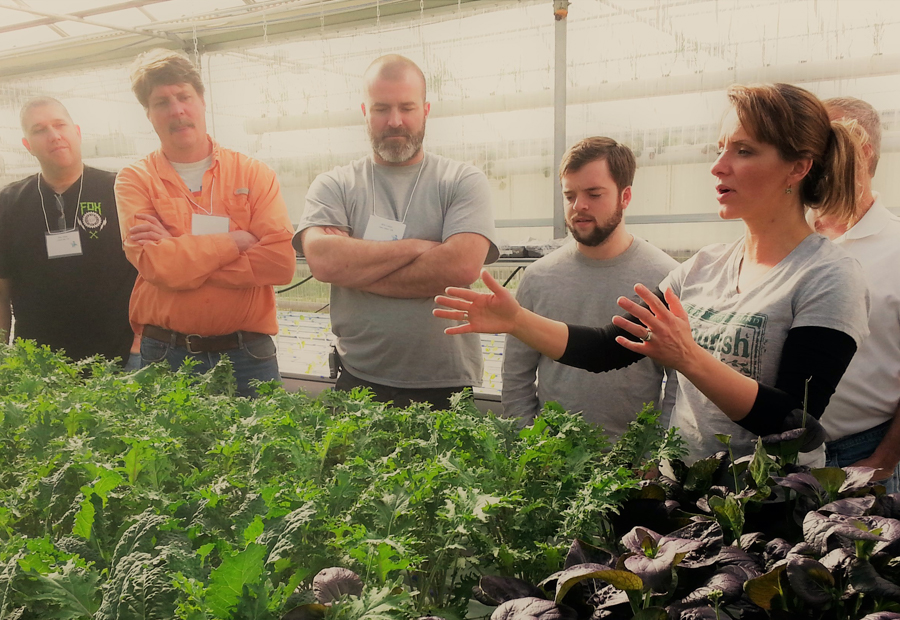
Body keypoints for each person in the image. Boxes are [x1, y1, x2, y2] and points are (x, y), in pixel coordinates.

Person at [435, 83, 870, 463]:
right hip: (686, 495)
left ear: (798, 167)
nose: (719, 165)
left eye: (744, 150)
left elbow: (797, 423)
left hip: (765, 515)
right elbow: (608, 349)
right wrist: (517, 321)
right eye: (721, 148)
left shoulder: (827, 276)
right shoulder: (702, 268)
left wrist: (688, 358)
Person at [294, 54, 498, 410]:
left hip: (445, 382)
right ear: (364, 112)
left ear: (426, 109)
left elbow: (461, 267)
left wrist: (355, 270)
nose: (394, 121)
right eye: (381, 108)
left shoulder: (462, 181)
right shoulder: (335, 184)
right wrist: (420, 247)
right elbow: (324, 262)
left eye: (407, 107)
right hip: (359, 378)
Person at [115, 49, 296, 397]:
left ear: (201, 100)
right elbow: (155, 264)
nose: (177, 110)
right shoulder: (134, 179)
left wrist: (181, 256)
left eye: (184, 96)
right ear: (149, 114)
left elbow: (280, 263)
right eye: (161, 101)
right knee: (170, 450)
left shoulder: (253, 173)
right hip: (166, 353)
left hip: (248, 354)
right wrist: (235, 242)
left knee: (258, 450)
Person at [502, 137, 677, 435]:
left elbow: (678, 381)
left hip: (634, 464)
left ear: (625, 197)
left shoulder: (665, 277)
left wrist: (657, 455)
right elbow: (516, 374)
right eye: (569, 196)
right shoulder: (538, 278)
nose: (579, 206)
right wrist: (527, 440)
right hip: (551, 461)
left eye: (594, 194)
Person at [0, 97, 138, 367]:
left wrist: (144, 342)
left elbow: (151, 272)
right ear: (27, 146)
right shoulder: (8, 203)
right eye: (39, 130)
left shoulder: (121, 189)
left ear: (77, 132)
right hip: (40, 364)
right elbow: (1, 291)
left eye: (59, 125)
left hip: (119, 358)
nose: (54, 136)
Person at [809, 97, 900, 493]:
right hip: (779, 455)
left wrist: (883, 461)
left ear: (861, 151)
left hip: (863, 453)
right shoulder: (786, 237)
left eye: (823, 143)